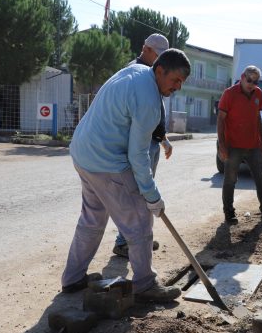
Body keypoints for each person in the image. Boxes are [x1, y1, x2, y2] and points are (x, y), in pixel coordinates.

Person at [60, 49, 191, 303]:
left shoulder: (136, 71)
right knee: (140, 221)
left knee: (92, 219)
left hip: (83, 152)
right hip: (106, 161)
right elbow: (138, 156)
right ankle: (145, 284)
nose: (177, 87)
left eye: (181, 83)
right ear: (160, 70)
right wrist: (152, 196)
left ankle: (73, 278)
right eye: (175, 80)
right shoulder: (150, 102)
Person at [112, 33, 173, 258]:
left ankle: (139, 238)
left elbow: (156, 110)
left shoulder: (153, 73)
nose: (159, 62)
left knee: (142, 195)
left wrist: (163, 138)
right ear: (145, 48)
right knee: (137, 194)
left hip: (151, 142)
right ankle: (124, 242)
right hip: (138, 144)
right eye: (157, 56)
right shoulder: (135, 72)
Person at [217, 65, 262, 224]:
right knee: (230, 180)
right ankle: (229, 213)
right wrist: (222, 146)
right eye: (249, 79)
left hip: (254, 146)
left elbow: (258, 118)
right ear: (243, 77)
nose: (252, 83)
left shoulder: (258, 93)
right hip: (233, 146)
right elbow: (221, 119)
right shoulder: (229, 94)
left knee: (261, 179)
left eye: (255, 81)